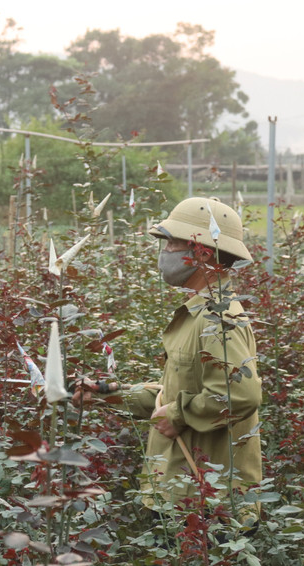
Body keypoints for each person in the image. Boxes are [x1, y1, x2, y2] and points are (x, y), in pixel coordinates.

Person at [79, 196, 262, 525]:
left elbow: (241, 395)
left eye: (171, 243)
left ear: (202, 252)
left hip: (210, 510)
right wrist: (104, 395)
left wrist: (178, 414)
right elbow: (175, 394)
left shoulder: (218, 320)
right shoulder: (199, 314)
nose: (164, 252)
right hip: (184, 498)